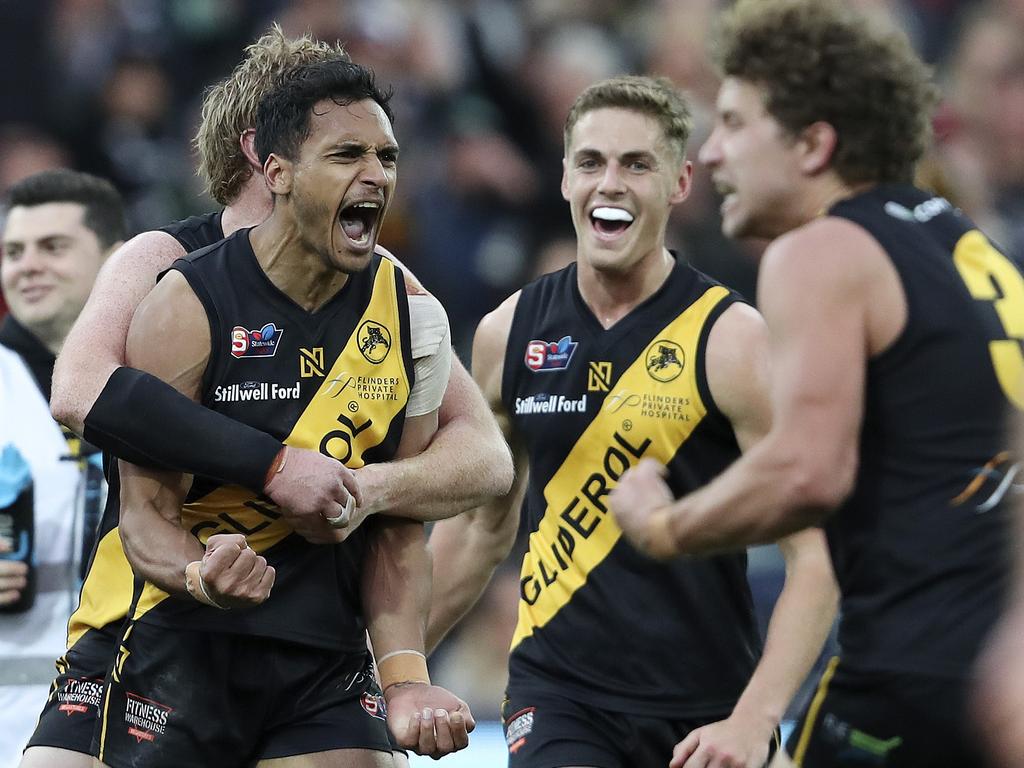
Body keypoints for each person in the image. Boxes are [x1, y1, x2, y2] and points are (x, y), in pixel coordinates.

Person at [24, 26, 512, 768]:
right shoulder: (171, 267)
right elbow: (81, 393)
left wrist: (369, 488)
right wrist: (278, 469)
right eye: (342, 150)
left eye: (382, 153)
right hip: (159, 624)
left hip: (315, 645)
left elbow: (481, 460)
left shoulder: (393, 293)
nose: (371, 174)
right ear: (267, 158)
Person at [609, 2, 1021, 766]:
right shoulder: (968, 243)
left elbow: (805, 472)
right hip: (1001, 670)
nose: (714, 151)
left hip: (906, 683)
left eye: (733, 122)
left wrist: (663, 527)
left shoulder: (820, 248)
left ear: (813, 143)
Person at [427, 74, 838, 768]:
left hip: (705, 706)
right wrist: (389, 676)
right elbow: (477, 529)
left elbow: (817, 553)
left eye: (636, 164)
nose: (609, 183)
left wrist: (755, 721)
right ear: (564, 180)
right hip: (558, 696)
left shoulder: (731, 339)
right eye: (591, 163)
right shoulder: (507, 334)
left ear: (679, 183)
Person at [0, 169, 126, 767]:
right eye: (13, 252)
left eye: (53, 248)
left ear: (115, 260)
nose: (27, 266)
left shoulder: (168, 374)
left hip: (146, 716)